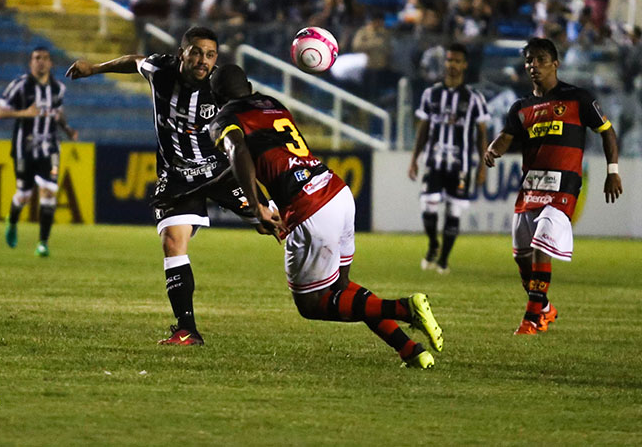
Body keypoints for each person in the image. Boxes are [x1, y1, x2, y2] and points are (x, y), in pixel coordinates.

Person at [208, 64, 444, 369]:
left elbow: (238, 152)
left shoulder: (224, 118)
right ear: (250, 87)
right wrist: (201, 190)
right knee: (341, 288)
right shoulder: (271, 104)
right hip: (335, 190)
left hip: (308, 206)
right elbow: (249, 161)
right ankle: (410, 350)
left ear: (216, 98)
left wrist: (256, 206)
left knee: (310, 304)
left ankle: (404, 308)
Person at [65, 27, 268, 346]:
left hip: (221, 172)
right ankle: (187, 330)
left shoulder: (219, 85)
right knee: (172, 242)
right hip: (178, 177)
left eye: (210, 55)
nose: (203, 61)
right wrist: (95, 68)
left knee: (275, 223)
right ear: (181, 53)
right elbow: (134, 61)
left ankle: (327, 278)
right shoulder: (160, 70)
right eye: (196, 52)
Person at [483, 37, 623, 335]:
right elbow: (506, 136)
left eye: (541, 60)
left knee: (540, 246)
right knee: (522, 256)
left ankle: (531, 319)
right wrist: (493, 149)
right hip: (530, 187)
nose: (534, 65)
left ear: (555, 64)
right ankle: (545, 308)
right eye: (529, 60)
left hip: (563, 187)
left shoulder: (578, 98)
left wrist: (612, 171)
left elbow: (607, 132)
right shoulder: (521, 107)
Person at [408, 43, 490, 274]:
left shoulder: (474, 98)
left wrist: (482, 166)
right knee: (428, 205)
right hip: (433, 161)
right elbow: (423, 128)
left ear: (464, 65)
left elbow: (482, 134)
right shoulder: (431, 94)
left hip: (461, 165)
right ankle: (433, 244)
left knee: (454, 210)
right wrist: (414, 159)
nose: (452, 65)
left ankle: (443, 259)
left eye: (457, 61)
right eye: (449, 60)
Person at [0, 46, 78, 257]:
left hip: (50, 147)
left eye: (44, 58)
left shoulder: (58, 88)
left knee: (49, 191)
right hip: (24, 148)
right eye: (36, 58)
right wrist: (25, 113)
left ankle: (43, 243)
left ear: (50, 63)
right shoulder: (20, 85)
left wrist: (67, 129)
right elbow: (0, 112)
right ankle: (12, 220)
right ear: (31, 62)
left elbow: (58, 113)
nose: (40, 61)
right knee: (24, 195)